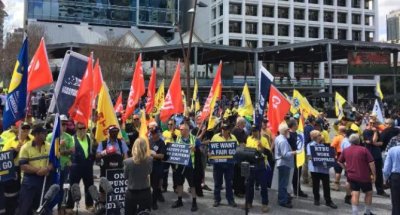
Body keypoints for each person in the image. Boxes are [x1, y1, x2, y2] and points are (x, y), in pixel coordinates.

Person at [17, 124, 53, 215]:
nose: (45, 135)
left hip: (45, 180)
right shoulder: (25, 147)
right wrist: (38, 170)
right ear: (36, 134)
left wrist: (47, 168)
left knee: (44, 207)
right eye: (43, 133)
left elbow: (54, 162)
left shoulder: (49, 146)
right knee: (25, 208)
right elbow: (23, 166)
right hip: (29, 181)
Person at [338, 134, 376, 215]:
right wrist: (374, 174)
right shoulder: (364, 149)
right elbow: (371, 163)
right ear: (358, 141)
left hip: (352, 176)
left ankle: (355, 213)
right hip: (364, 176)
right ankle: (367, 212)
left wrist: (346, 169)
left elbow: (339, 161)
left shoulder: (346, 150)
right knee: (368, 193)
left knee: (355, 194)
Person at [2, 122, 32, 215]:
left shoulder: (32, 140)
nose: (25, 131)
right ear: (19, 129)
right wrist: (14, 150)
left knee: (26, 195)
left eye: (28, 129)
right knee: (13, 195)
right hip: (15, 171)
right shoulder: (10, 141)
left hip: (28, 169)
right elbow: (4, 158)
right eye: (23, 129)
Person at [46, 115, 74, 211]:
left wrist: (63, 149)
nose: (64, 126)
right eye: (62, 124)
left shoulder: (69, 137)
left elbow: (72, 150)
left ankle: (61, 207)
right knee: (52, 187)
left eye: (66, 124)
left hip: (64, 166)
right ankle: (49, 207)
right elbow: (49, 152)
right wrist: (58, 146)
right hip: (53, 166)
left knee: (63, 187)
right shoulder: (50, 136)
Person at [171, 123, 200, 211]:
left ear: (187, 130)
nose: (180, 131)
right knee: (179, 184)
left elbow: (200, 150)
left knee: (192, 185)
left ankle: (194, 202)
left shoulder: (195, 139)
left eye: (181, 129)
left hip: (190, 166)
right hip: (180, 166)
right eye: (180, 129)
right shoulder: (178, 138)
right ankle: (179, 200)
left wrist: (195, 149)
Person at [67, 122, 95, 212]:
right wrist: (68, 162)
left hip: (87, 166)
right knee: (73, 186)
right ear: (76, 129)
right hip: (76, 167)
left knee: (89, 186)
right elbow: (67, 152)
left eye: (84, 128)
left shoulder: (89, 137)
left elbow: (94, 147)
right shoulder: (72, 139)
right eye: (80, 128)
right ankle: (70, 206)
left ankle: (89, 204)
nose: (82, 130)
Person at [307, 130, 337, 209]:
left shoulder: (325, 145)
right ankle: (316, 199)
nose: (321, 136)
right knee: (316, 185)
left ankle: (328, 201)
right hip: (315, 169)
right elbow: (310, 156)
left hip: (324, 169)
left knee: (326, 185)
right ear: (315, 137)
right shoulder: (310, 145)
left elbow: (329, 155)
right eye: (319, 135)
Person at [210, 123, 237, 208]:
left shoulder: (233, 138)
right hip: (218, 164)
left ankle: (230, 200)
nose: (223, 130)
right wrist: (209, 153)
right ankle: (216, 199)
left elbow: (237, 148)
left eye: (225, 129)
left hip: (229, 164)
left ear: (228, 130)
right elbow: (211, 149)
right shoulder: (215, 137)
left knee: (229, 183)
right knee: (217, 183)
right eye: (222, 129)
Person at [245, 125, 272, 212]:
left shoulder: (263, 139)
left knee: (263, 186)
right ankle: (249, 202)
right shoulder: (249, 139)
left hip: (261, 165)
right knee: (249, 185)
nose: (254, 133)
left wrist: (262, 147)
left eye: (255, 131)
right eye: (252, 131)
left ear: (258, 131)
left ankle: (265, 204)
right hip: (251, 164)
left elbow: (269, 153)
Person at [124, 138, 153, 215]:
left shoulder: (127, 162)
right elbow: (149, 172)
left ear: (134, 147)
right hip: (145, 192)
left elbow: (125, 176)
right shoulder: (150, 159)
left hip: (131, 193)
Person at [363, 119, 387, 196]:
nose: (372, 124)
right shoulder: (366, 132)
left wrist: (374, 142)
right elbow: (373, 141)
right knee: (367, 172)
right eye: (371, 123)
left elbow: (381, 143)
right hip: (369, 155)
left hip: (377, 155)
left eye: (374, 123)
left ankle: (380, 190)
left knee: (379, 173)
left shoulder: (378, 132)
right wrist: (375, 132)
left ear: (376, 124)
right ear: (368, 123)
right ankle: (367, 189)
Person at [275, 122, 296, 208]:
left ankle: (282, 198)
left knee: (282, 183)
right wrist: (294, 152)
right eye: (288, 130)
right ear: (284, 131)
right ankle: (283, 201)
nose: (289, 132)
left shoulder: (278, 138)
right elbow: (285, 154)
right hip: (284, 163)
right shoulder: (283, 140)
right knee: (283, 183)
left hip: (281, 163)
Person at [287, 119, 307, 198]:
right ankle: (294, 190)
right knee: (294, 175)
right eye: (296, 124)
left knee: (298, 174)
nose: (297, 125)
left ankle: (297, 189)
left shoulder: (297, 133)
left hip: (299, 156)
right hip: (293, 157)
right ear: (293, 125)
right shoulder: (289, 135)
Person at [148, 126, 166, 210]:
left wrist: (153, 155)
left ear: (158, 133)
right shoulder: (149, 141)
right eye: (152, 133)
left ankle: (154, 202)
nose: (153, 134)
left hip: (157, 166)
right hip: (149, 165)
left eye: (154, 133)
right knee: (149, 185)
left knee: (155, 185)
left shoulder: (161, 143)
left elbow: (162, 155)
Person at [383, 135, 400, 215]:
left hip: (395, 177)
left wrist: (385, 179)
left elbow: (386, 168)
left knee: (396, 201)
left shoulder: (392, 150)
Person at [162, 119, 180, 192]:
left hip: (174, 155)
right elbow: (162, 142)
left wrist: (174, 135)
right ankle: (164, 186)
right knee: (165, 172)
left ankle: (175, 187)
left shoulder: (178, 132)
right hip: (166, 154)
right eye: (168, 124)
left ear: (175, 125)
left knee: (175, 172)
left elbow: (179, 141)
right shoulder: (165, 132)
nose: (170, 126)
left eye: (171, 124)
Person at [231, 117, 247, 197]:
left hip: (242, 154)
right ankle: (237, 190)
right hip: (237, 155)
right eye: (243, 123)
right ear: (239, 123)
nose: (245, 124)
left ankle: (241, 189)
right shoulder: (234, 131)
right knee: (237, 174)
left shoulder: (243, 131)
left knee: (241, 173)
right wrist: (240, 144)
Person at [330, 125, 346, 191]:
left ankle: (336, 185)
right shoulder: (347, 137)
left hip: (339, 155)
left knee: (338, 171)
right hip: (347, 154)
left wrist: (335, 154)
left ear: (339, 130)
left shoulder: (337, 137)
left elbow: (332, 146)